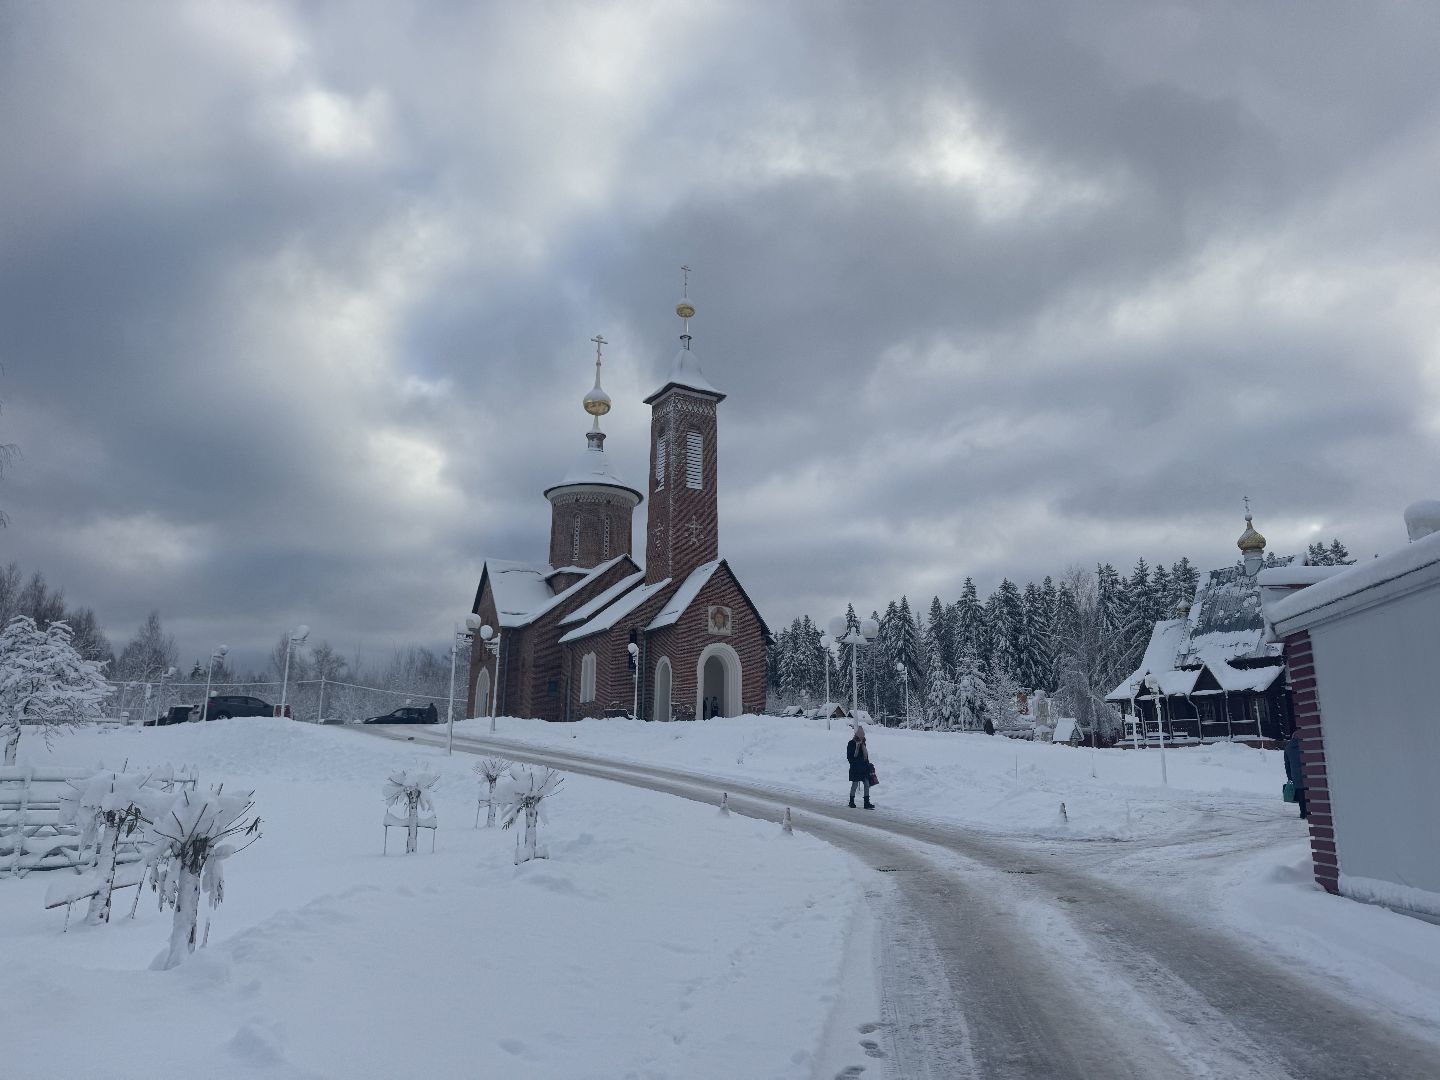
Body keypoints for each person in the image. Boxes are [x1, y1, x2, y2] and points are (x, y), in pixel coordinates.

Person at [846, 724, 874, 809]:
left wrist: (867, 765)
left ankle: (866, 803)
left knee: (867, 784)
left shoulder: (863, 744)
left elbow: (866, 756)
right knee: (854, 785)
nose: (862, 737)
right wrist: (855, 764)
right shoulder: (851, 743)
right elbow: (849, 757)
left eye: (863, 735)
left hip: (864, 768)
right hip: (855, 768)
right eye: (861, 735)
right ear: (857, 735)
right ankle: (851, 801)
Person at [1284, 729, 1308, 819]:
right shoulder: (1305, 745)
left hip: (1295, 775)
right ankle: (1310, 812)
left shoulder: (1288, 748)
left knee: (1301, 794)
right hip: (1307, 773)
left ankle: (1303, 813)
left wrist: (1290, 777)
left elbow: (1287, 765)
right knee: (1309, 792)